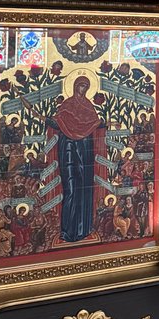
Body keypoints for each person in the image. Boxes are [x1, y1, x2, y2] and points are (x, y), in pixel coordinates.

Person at [42, 75, 106, 243]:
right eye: (81, 85)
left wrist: (104, 123)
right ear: (75, 86)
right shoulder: (67, 105)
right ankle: (67, 231)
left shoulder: (88, 106)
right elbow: (60, 122)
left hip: (85, 150)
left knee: (85, 188)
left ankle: (84, 229)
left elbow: (94, 123)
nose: (83, 89)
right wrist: (49, 121)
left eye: (86, 86)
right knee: (70, 188)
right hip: (68, 149)